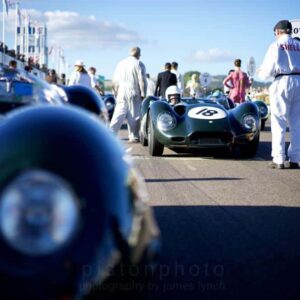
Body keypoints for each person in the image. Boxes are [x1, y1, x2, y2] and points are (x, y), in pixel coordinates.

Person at [257, 20, 300, 169]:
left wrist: (260, 72)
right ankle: (295, 158)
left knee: (278, 121)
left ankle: (279, 158)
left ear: (278, 31)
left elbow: (267, 71)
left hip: (282, 81)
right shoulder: (299, 45)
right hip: (299, 80)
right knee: (297, 123)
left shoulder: (275, 45)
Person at [110, 46, 147, 142]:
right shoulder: (139, 63)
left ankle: (111, 133)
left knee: (119, 112)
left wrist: (114, 92)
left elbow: (114, 80)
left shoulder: (121, 63)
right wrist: (143, 93)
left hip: (121, 90)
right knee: (134, 115)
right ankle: (134, 136)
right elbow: (142, 80)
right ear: (138, 54)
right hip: (134, 90)